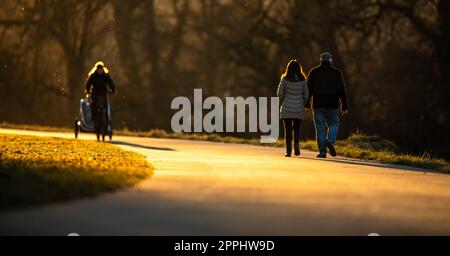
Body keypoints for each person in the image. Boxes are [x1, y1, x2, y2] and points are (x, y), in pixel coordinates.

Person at [305, 52, 349, 158]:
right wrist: (344, 105)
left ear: (320, 60)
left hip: (318, 104)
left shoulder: (314, 72)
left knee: (320, 128)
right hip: (332, 104)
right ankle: (330, 140)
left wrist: (306, 102)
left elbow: (308, 89)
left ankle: (322, 152)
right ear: (331, 61)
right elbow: (341, 90)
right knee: (334, 123)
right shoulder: (337, 73)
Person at [277, 60, 309, 157]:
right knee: (297, 128)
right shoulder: (303, 80)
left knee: (288, 130)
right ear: (299, 69)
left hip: (286, 108)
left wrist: (282, 101)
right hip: (298, 108)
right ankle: (296, 145)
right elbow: (306, 94)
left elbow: (279, 93)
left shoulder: (284, 79)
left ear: (288, 68)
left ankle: (288, 151)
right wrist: (303, 102)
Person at [85, 62, 116, 140]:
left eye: (101, 69)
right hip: (94, 96)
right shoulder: (92, 76)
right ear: (96, 69)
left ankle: (105, 125)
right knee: (94, 110)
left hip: (103, 96)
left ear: (103, 69)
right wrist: (87, 91)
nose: (100, 71)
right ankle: (95, 124)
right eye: (98, 69)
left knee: (105, 111)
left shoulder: (106, 76)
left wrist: (113, 89)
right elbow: (88, 84)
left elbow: (110, 83)